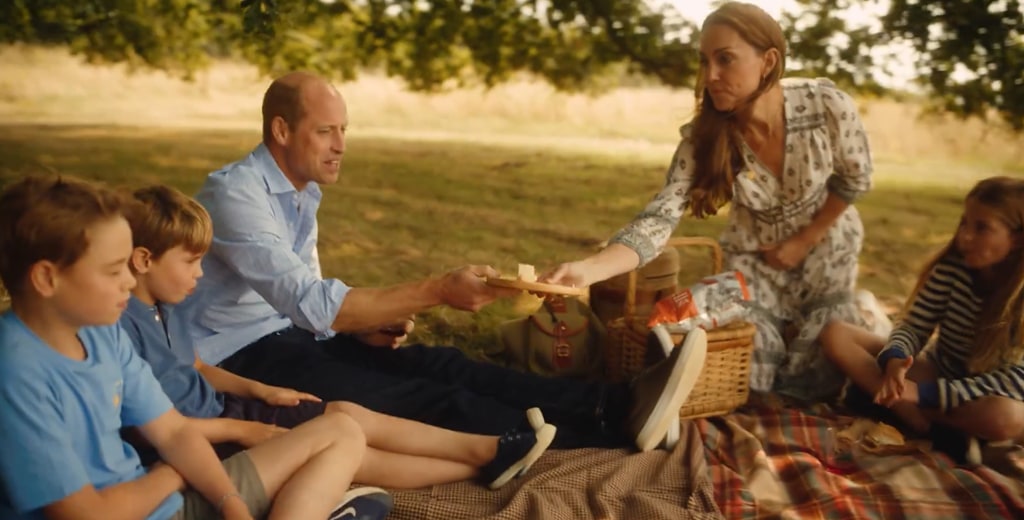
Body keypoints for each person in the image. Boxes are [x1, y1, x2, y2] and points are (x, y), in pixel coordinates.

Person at [178, 70, 704, 453]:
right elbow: (315, 304)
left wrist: (364, 329)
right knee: (420, 395)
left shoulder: (297, 191)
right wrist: (436, 290)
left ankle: (614, 403)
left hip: (288, 337)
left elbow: (309, 303)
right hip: (238, 359)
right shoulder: (236, 195)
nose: (341, 146)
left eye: (345, 131)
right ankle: (604, 435)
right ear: (281, 131)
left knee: (442, 364)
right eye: (325, 132)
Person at [0, 175, 392, 520]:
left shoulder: (100, 333)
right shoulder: (16, 372)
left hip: (165, 502)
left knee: (341, 430)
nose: (127, 281)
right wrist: (172, 475)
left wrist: (231, 506)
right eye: (112, 270)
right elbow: (88, 514)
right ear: (47, 279)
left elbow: (173, 434)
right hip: (151, 500)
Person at [120, 184, 556, 490]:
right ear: (143, 259)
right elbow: (153, 429)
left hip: (223, 409)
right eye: (191, 262)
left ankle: (485, 457)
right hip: (207, 436)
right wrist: (245, 428)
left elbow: (195, 366)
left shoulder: (168, 309)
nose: (200, 273)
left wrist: (262, 391)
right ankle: (483, 455)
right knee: (346, 428)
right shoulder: (121, 328)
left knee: (344, 428)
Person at [542, 1, 873, 402]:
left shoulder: (825, 106)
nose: (710, 76)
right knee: (682, 319)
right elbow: (659, 218)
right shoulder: (705, 136)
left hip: (827, 259)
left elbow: (856, 178)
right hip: (755, 268)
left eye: (726, 60)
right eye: (704, 61)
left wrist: (804, 239)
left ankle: (858, 320)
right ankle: (657, 397)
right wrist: (588, 270)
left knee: (816, 378)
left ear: (768, 62)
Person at [821, 176, 1024, 462]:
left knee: (1008, 417)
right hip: (939, 375)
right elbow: (914, 326)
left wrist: (924, 394)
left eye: (982, 228)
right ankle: (924, 424)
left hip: (984, 398)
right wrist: (895, 360)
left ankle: (894, 403)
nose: (965, 236)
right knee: (837, 333)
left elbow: (1015, 382)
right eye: (964, 223)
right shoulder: (951, 270)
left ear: (1016, 239)